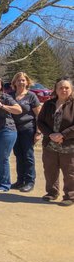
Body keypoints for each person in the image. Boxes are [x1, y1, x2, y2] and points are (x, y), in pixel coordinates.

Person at [37, 77, 74, 207]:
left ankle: (70, 195)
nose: (63, 90)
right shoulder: (49, 104)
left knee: (69, 171)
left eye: (66, 87)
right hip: (50, 144)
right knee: (50, 169)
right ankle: (52, 192)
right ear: (56, 90)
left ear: (71, 89)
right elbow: (40, 121)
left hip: (69, 145)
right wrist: (50, 134)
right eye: (61, 87)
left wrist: (63, 135)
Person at [0, 77, 22, 192]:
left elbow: (18, 110)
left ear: (1, 87)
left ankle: (4, 184)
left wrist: (2, 106)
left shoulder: (5, 97)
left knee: (2, 158)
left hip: (6, 130)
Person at [10, 72, 41, 192]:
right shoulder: (11, 96)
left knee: (28, 156)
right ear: (14, 82)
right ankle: (20, 180)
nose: (21, 82)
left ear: (27, 82)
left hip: (28, 130)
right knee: (18, 155)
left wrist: (38, 132)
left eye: (23, 80)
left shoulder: (31, 96)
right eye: (18, 80)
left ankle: (29, 181)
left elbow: (39, 115)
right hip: (14, 130)